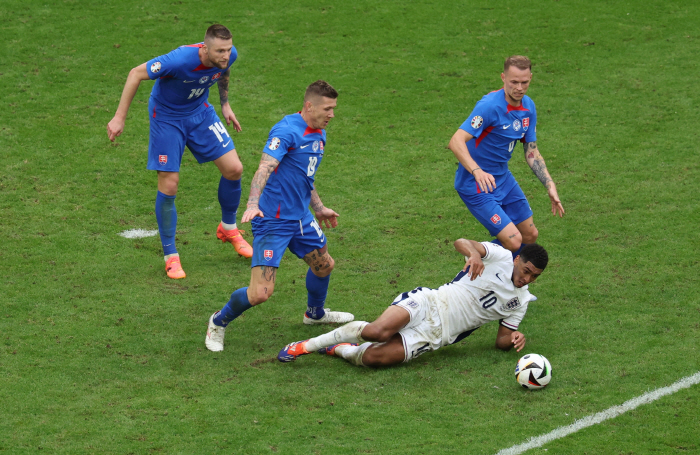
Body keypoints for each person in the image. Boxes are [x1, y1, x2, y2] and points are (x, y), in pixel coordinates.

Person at [205, 80, 354, 352]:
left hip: (301, 217)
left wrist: (318, 208)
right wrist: (252, 203)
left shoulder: (319, 132)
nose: (332, 114)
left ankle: (315, 314)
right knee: (260, 294)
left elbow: (304, 176)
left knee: (324, 266)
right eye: (328, 108)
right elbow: (264, 168)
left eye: (334, 109)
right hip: (273, 221)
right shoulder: (286, 131)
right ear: (309, 106)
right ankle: (218, 321)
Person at [107, 24, 252, 280]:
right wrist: (119, 118)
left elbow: (223, 72)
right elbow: (135, 74)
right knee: (170, 184)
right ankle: (171, 254)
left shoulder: (229, 56)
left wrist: (225, 104)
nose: (225, 55)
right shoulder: (178, 60)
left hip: (200, 113)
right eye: (219, 51)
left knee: (234, 168)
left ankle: (228, 228)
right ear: (204, 48)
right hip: (167, 118)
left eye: (228, 49)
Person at [277, 239, 548, 367]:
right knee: (376, 332)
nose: (527, 279)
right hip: (430, 302)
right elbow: (462, 242)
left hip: (437, 336)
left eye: (534, 276)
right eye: (526, 270)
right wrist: (474, 254)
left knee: (372, 358)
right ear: (517, 260)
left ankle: (341, 349)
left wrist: (514, 337)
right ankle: (304, 347)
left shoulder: (521, 302)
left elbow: (501, 340)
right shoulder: (499, 256)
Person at [448, 55, 564, 258]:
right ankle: (472, 252)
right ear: (503, 78)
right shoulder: (489, 106)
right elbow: (455, 141)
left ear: (531, 78)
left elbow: (531, 151)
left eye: (524, 82)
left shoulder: (529, 108)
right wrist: (477, 171)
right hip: (476, 184)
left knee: (530, 235)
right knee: (513, 240)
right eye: (514, 82)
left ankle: (503, 281)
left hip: (503, 178)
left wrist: (550, 185)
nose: (519, 87)